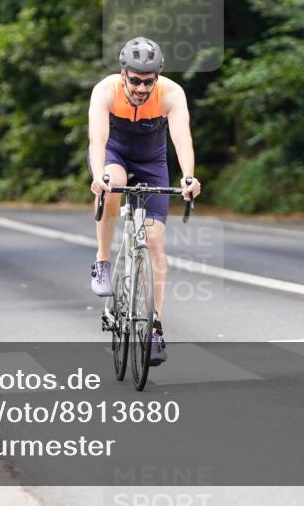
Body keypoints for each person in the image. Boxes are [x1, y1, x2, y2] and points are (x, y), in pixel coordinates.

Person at [88, 36, 202, 365]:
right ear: (123, 74)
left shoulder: (172, 93)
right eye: (135, 80)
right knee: (114, 185)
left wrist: (188, 176)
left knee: (154, 240)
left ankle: (154, 328)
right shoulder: (105, 91)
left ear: (158, 76)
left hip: (152, 162)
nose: (141, 88)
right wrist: (99, 175)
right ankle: (103, 261)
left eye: (148, 81)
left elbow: (182, 137)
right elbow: (97, 139)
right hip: (113, 155)